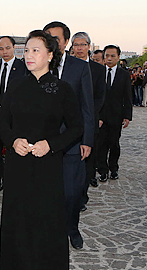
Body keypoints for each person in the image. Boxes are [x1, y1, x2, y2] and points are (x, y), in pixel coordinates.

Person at [0, 30, 83, 270]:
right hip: (18, 164)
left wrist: (51, 144)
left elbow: (76, 127)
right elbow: (2, 123)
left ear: (50, 55)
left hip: (48, 165)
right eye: (26, 50)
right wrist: (13, 141)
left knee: (46, 219)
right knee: (18, 218)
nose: (29, 55)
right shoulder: (15, 86)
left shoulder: (62, 89)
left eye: (36, 50)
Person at [44, 21, 95, 250]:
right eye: (48, 38)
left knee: (72, 192)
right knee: (46, 192)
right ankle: (49, 231)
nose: (52, 42)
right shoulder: (37, 65)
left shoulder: (80, 67)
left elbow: (87, 107)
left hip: (72, 142)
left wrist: (87, 140)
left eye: (56, 38)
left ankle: (72, 229)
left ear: (66, 42)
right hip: (43, 142)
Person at [0, 36, 27, 193]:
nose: (4, 52)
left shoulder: (23, 68)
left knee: (13, 150)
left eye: (7, 48)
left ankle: (14, 182)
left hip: (14, 116)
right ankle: (3, 176)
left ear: (14, 48)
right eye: (1, 49)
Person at [71, 32, 106, 208]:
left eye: (83, 45)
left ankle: (82, 196)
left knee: (87, 162)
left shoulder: (98, 69)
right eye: (76, 45)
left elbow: (100, 97)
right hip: (70, 121)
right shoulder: (67, 67)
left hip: (89, 120)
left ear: (89, 47)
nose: (79, 48)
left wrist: (91, 115)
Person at [97, 45, 133, 182]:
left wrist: (127, 115)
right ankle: (103, 171)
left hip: (116, 115)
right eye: (107, 56)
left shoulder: (124, 74)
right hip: (101, 115)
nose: (109, 58)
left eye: (112, 56)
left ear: (118, 57)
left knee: (114, 144)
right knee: (101, 144)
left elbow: (127, 96)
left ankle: (113, 168)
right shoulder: (99, 72)